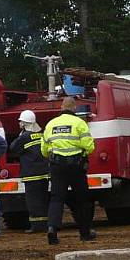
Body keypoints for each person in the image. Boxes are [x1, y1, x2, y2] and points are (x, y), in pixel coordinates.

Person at [41, 96, 96, 245]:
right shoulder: (80, 123)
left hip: (57, 166)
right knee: (82, 199)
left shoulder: (51, 124)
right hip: (76, 166)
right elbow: (89, 147)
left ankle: (52, 229)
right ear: (74, 108)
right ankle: (85, 233)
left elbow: (44, 150)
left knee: (56, 198)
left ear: (61, 108)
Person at [8, 110, 49, 233]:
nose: (19, 123)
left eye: (21, 121)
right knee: (43, 199)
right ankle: (45, 224)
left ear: (25, 123)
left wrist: (20, 136)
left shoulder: (24, 137)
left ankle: (36, 226)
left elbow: (13, 148)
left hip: (31, 174)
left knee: (33, 201)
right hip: (44, 173)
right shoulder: (42, 134)